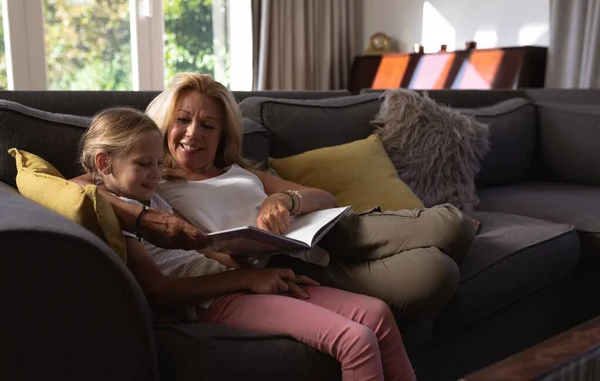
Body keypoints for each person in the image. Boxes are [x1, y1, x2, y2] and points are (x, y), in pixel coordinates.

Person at [75, 72, 476, 322]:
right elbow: (78, 185)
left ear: (222, 136)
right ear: (164, 125)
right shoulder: (152, 180)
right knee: (437, 274)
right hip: (291, 264)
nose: (193, 134)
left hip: (329, 233)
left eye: (207, 125)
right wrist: (146, 219)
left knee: (453, 226)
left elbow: (323, 196)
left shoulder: (238, 171)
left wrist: (283, 201)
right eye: (183, 120)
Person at [78, 107, 416, 381]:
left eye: (156, 162)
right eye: (143, 164)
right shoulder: (120, 218)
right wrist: (247, 280)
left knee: (377, 313)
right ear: (104, 163)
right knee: (355, 340)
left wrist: (262, 272)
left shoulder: (152, 200)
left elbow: (206, 250)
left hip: (235, 282)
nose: (156, 174)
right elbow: (161, 291)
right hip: (212, 300)